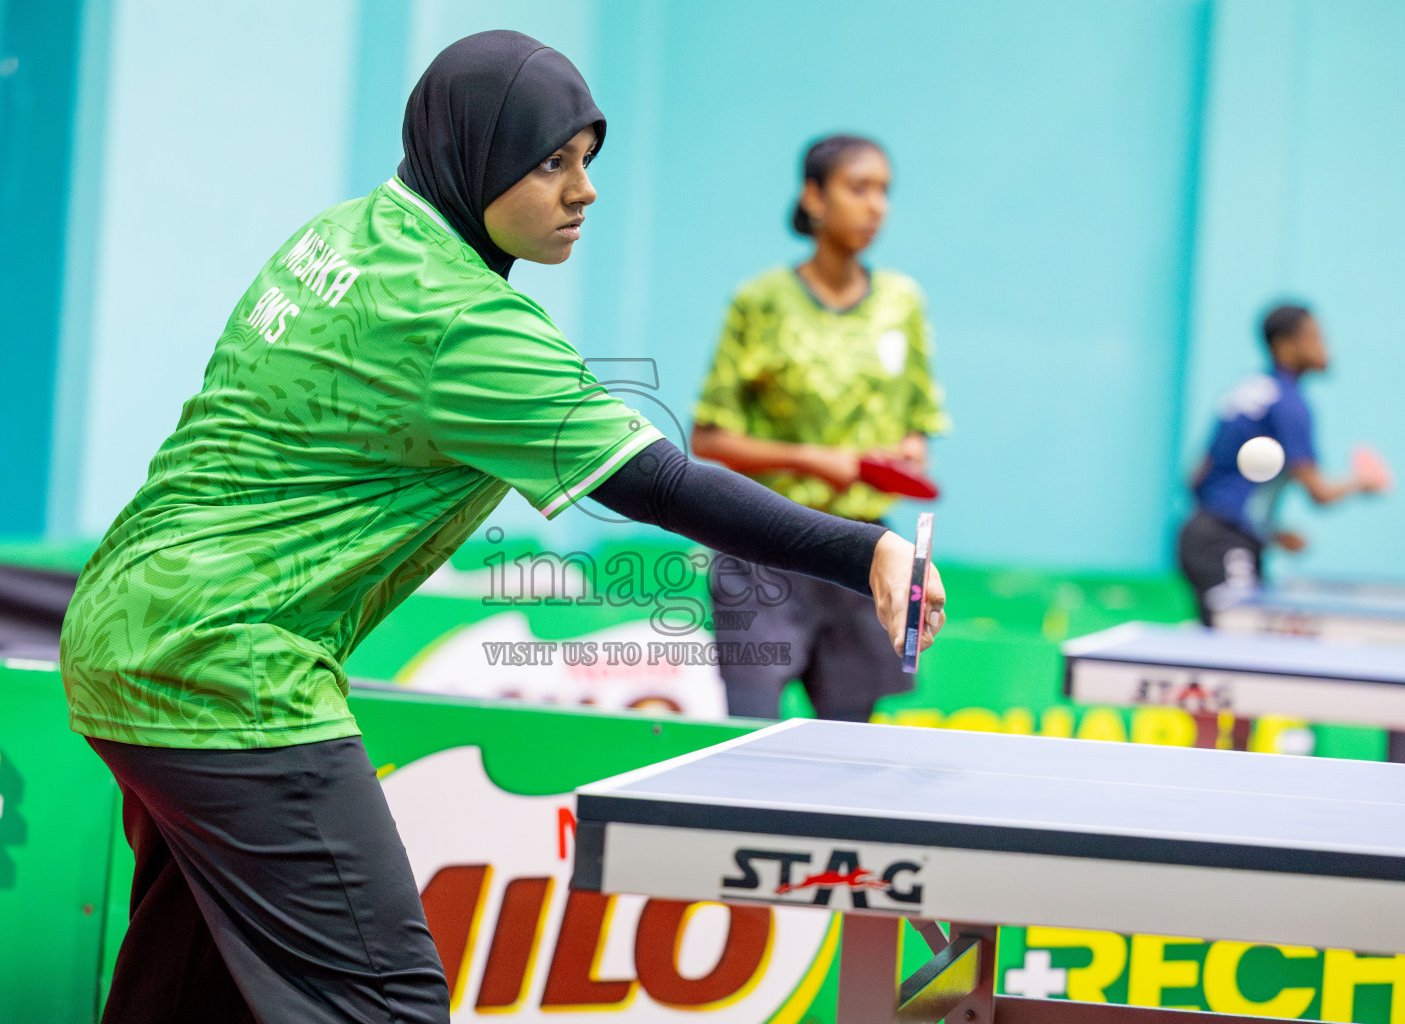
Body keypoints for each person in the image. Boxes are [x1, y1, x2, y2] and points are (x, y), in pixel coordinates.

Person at [60, 32, 946, 1024]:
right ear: (475, 157)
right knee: (385, 1001)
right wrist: (861, 542)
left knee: (187, 986)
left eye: (587, 162)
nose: (584, 191)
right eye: (550, 162)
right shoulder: (464, 323)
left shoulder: (343, 234)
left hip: (121, 632)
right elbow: (658, 481)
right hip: (231, 671)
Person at [690, 134, 949, 723]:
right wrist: (816, 460)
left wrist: (908, 451)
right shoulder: (760, 301)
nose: (876, 206)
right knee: (747, 735)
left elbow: (919, 425)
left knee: (849, 751)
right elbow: (707, 438)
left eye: (884, 191)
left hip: (864, 553)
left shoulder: (902, 304)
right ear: (814, 196)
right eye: (858, 188)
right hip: (761, 544)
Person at [1178, 302, 1383, 624]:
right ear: (1285, 346)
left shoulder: (1247, 389)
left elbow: (1197, 478)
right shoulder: (1289, 404)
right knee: (1238, 640)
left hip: (1206, 534)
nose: (1324, 346)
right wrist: (1363, 480)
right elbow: (1320, 494)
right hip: (1225, 544)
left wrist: (1267, 532)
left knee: (1233, 642)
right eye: (1314, 336)